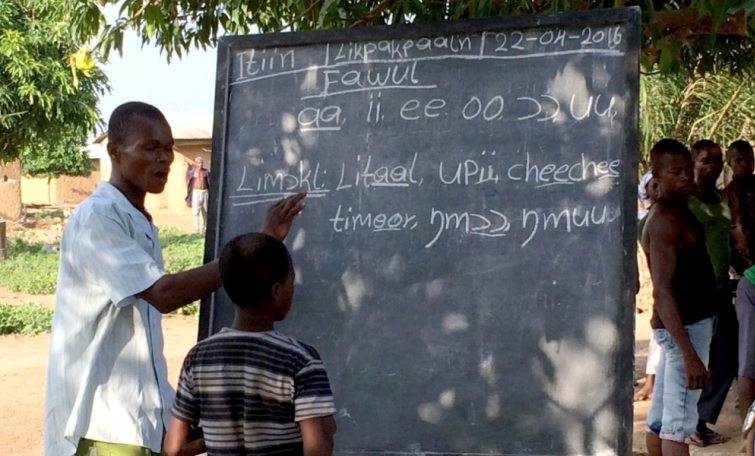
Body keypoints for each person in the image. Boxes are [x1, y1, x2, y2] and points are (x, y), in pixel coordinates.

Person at [43, 101, 307, 456]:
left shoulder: (138, 220)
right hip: (103, 422)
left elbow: (143, 347)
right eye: (149, 148)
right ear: (114, 152)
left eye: (168, 148)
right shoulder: (98, 217)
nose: (164, 158)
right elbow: (164, 294)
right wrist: (255, 250)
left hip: (139, 421)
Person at [164, 233, 336, 456]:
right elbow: (316, 449)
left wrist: (219, 432)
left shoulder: (198, 358)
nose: (293, 290)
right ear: (276, 291)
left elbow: (174, 448)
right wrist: (327, 429)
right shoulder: (300, 360)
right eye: (290, 283)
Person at [642, 138, 717, 456]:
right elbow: (662, 291)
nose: (686, 176)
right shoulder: (666, 221)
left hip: (683, 328)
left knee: (660, 422)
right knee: (678, 426)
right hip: (685, 329)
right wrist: (689, 355)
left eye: (688, 169)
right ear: (656, 177)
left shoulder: (675, 211)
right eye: (676, 171)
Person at [687, 140, 737, 446]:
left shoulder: (721, 199)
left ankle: (700, 420)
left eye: (718, 160)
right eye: (706, 160)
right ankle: (687, 425)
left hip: (720, 288)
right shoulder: (685, 201)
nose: (714, 165)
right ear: (693, 163)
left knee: (728, 357)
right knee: (696, 360)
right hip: (695, 292)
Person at [727, 140, 755, 428]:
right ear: (730, 163)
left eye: (749, 159)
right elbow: (739, 235)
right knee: (747, 357)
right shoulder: (730, 195)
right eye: (740, 160)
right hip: (748, 278)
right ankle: (748, 426)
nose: (746, 164)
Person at [635, 169, 661, 402]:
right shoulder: (645, 222)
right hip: (655, 284)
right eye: (653, 185)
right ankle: (651, 383)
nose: (658, 189)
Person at [186, 156, 210, 234]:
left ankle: (204, 229)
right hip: (196, 192)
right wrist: (189, 198)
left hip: (205, 192)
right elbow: (189, 185)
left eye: (202, 163)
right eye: (199, 163)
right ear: (196, 163)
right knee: (195, 211)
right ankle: (197, 229)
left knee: (205, 211)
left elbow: (209, 183)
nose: (201, 164)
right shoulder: (192, 173)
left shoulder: (206, 172)